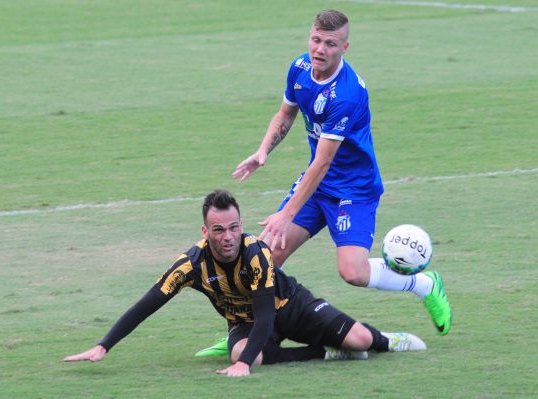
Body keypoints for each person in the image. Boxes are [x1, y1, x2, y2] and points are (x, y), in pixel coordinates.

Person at [197, 9, 451, 357]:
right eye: (316, 40)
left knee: (353, 272)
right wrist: (263, 150)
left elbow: (323, 161)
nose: (320, 49)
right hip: (317, 185)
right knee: (266, 256)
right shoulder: (300, 68)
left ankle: (423, 283)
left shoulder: (347, 94)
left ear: (344, 47)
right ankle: (244, 332)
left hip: (353, 190)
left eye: (330, 44)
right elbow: (285, 114)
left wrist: (286, 213)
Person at [65, 190, 426, 377]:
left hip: (292, 307)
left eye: (234, 227)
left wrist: (244, 364)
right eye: (219, 230)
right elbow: (147, 304)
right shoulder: (190, 264)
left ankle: (387, 339)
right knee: (241, 352)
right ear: (205, 232)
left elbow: (267, 314)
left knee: (362, 340)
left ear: (241, 224)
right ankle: (325, 352)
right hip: (245, 321)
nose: (228, 237)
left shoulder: (257, 254)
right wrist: (103, 345)